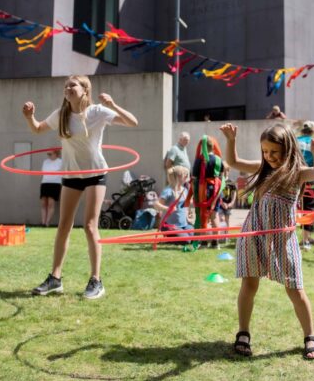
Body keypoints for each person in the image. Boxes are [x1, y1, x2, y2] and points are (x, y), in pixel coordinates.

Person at [23, 74, 138, 299]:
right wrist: (29, 116)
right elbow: (37, 129)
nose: (67, 88)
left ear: (85, 90)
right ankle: (55, 278)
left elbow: (133, 122)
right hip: (72, 174)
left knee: (89, 225)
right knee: (63, 225)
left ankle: (96, 280)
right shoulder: (61, 115)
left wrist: (112, 104)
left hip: (95, 173)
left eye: (72, 85)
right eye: (66, 86)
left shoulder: (97, 112)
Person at [219, 122, 314, 361]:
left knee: (295, 288)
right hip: (254, 234)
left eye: (274, 152)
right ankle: (243, 333)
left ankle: (310, 336)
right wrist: (231, 140)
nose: (269, 156)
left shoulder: (296, 173)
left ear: (287, 148)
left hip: (282, 239)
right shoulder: (262, 168)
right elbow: (234, 162)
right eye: (265, 151)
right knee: (249, 285)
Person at [189, 135, 224, 248]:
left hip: (203, 190)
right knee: (214, 215)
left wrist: (194, 193)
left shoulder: (200, 159)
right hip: (216, 191)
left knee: (203, 214)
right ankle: (215, 243)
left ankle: (204, 242)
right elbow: (221, 176)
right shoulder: (218, 159)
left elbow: (194, 177)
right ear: (213, 146)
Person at [297, 121, 314, 249]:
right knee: (310, 209)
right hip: (311, 178)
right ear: (313, 131)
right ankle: (305, 240)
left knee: (294, 207)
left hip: (296, 177)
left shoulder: (294, 140)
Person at [154, 166, 193, 239]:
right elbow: (156, 204)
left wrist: (200, 204)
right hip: (169, 225)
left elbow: (188, 203)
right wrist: (167, 208)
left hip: (183, 225)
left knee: (195, 237)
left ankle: (179, 234)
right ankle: (167, 238)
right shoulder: (168, 191)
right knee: (186, 240)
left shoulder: (184, 190)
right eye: (185, 175)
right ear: (179, 177)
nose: (187, 178)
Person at [39, 150, 63, 226]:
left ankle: (47, 223)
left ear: (56, 154)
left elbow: (64, 172)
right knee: (43, 203)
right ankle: (43, 222)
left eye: (50, 154)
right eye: (48, 154)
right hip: (45, 183)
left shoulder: (60, 162)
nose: (49, 156)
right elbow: (43, 172)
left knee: (50, 203)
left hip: (55, 184)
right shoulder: (46, 162)